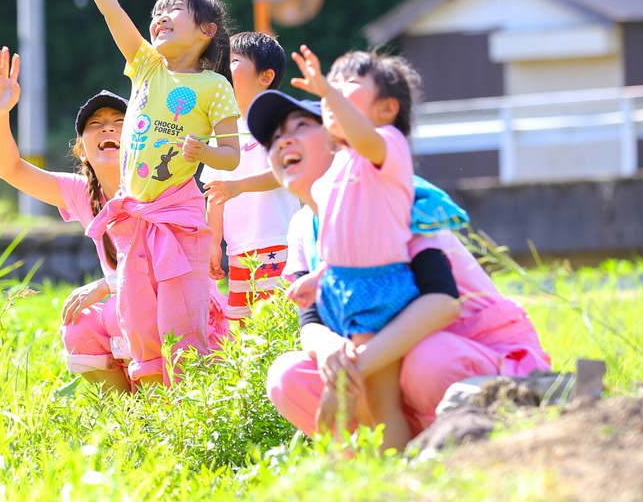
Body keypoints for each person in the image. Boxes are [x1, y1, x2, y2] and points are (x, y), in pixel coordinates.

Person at [248, 89, 551, 445]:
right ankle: (383, 460)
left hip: (468, 352)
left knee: (428, 361)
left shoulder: (390, 195)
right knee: (288, 376)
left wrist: (352, 367)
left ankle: (464, 447)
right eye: (274, 138)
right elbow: (310, 318)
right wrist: (330, 351)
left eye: (300, 126)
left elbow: (442, 301)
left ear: (341, 139)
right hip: (382, 364)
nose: (283, 141)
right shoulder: (302, 226)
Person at [43, 0, 237, 386]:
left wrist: (203, 152)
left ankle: (192, 413)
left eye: (175, 10)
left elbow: (231, 156)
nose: (160, 17)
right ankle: (153, 416)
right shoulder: (147, 67)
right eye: (157, 11)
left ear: (207, 29)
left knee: (182, 326)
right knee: (141, 327)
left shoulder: (214, 86)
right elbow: (111, 11)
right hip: (133, 219)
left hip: (178, 217)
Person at [279, 46, 423, 450]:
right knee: (360, 399)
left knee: (379, 399)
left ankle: (394, 466)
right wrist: (319, 276)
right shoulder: (336, 169)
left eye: (349, 85)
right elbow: (343, 239)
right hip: (342, 288)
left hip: (378, 286)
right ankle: (362, 464)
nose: (333, 93)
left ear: (387, 108)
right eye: (332, 85)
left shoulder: (386, 146)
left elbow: (364, 137)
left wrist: (326, 90)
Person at [0, 45, 131, 393]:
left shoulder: (154, 185)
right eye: (95, 125)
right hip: (128, 305)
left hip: (170, 306)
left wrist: (105, 286)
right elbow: (8, 168)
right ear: (82, 150)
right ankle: (128, 412)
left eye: (119, 123)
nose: (107, 129)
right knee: (79, 324)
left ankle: (162, 404)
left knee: (119, 310)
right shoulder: (82, 193)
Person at [200, 32, 299, 320]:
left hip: (277, 241)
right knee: (242, 325)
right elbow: (215, 193)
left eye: (233, 61)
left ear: (265, 76)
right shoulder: (223, 131)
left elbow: (285, 171)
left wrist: (240, 186)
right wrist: (213, 242)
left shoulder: (277, 121)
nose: (223, 67)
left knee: (278, 322)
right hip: (238, 250)